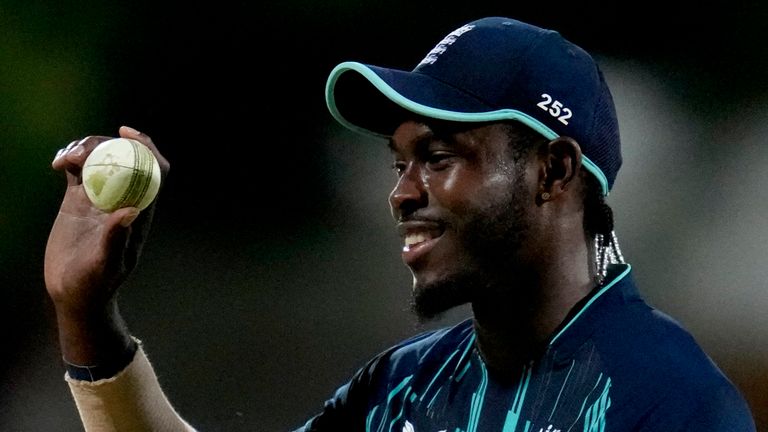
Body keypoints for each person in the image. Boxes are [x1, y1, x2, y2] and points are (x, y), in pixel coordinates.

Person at [45, 16, 756, 432]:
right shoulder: (407, 385)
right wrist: (88, 318)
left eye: (440, 156)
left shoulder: (668, 401)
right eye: (399, 162)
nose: (402, 194)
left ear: (555, 170)